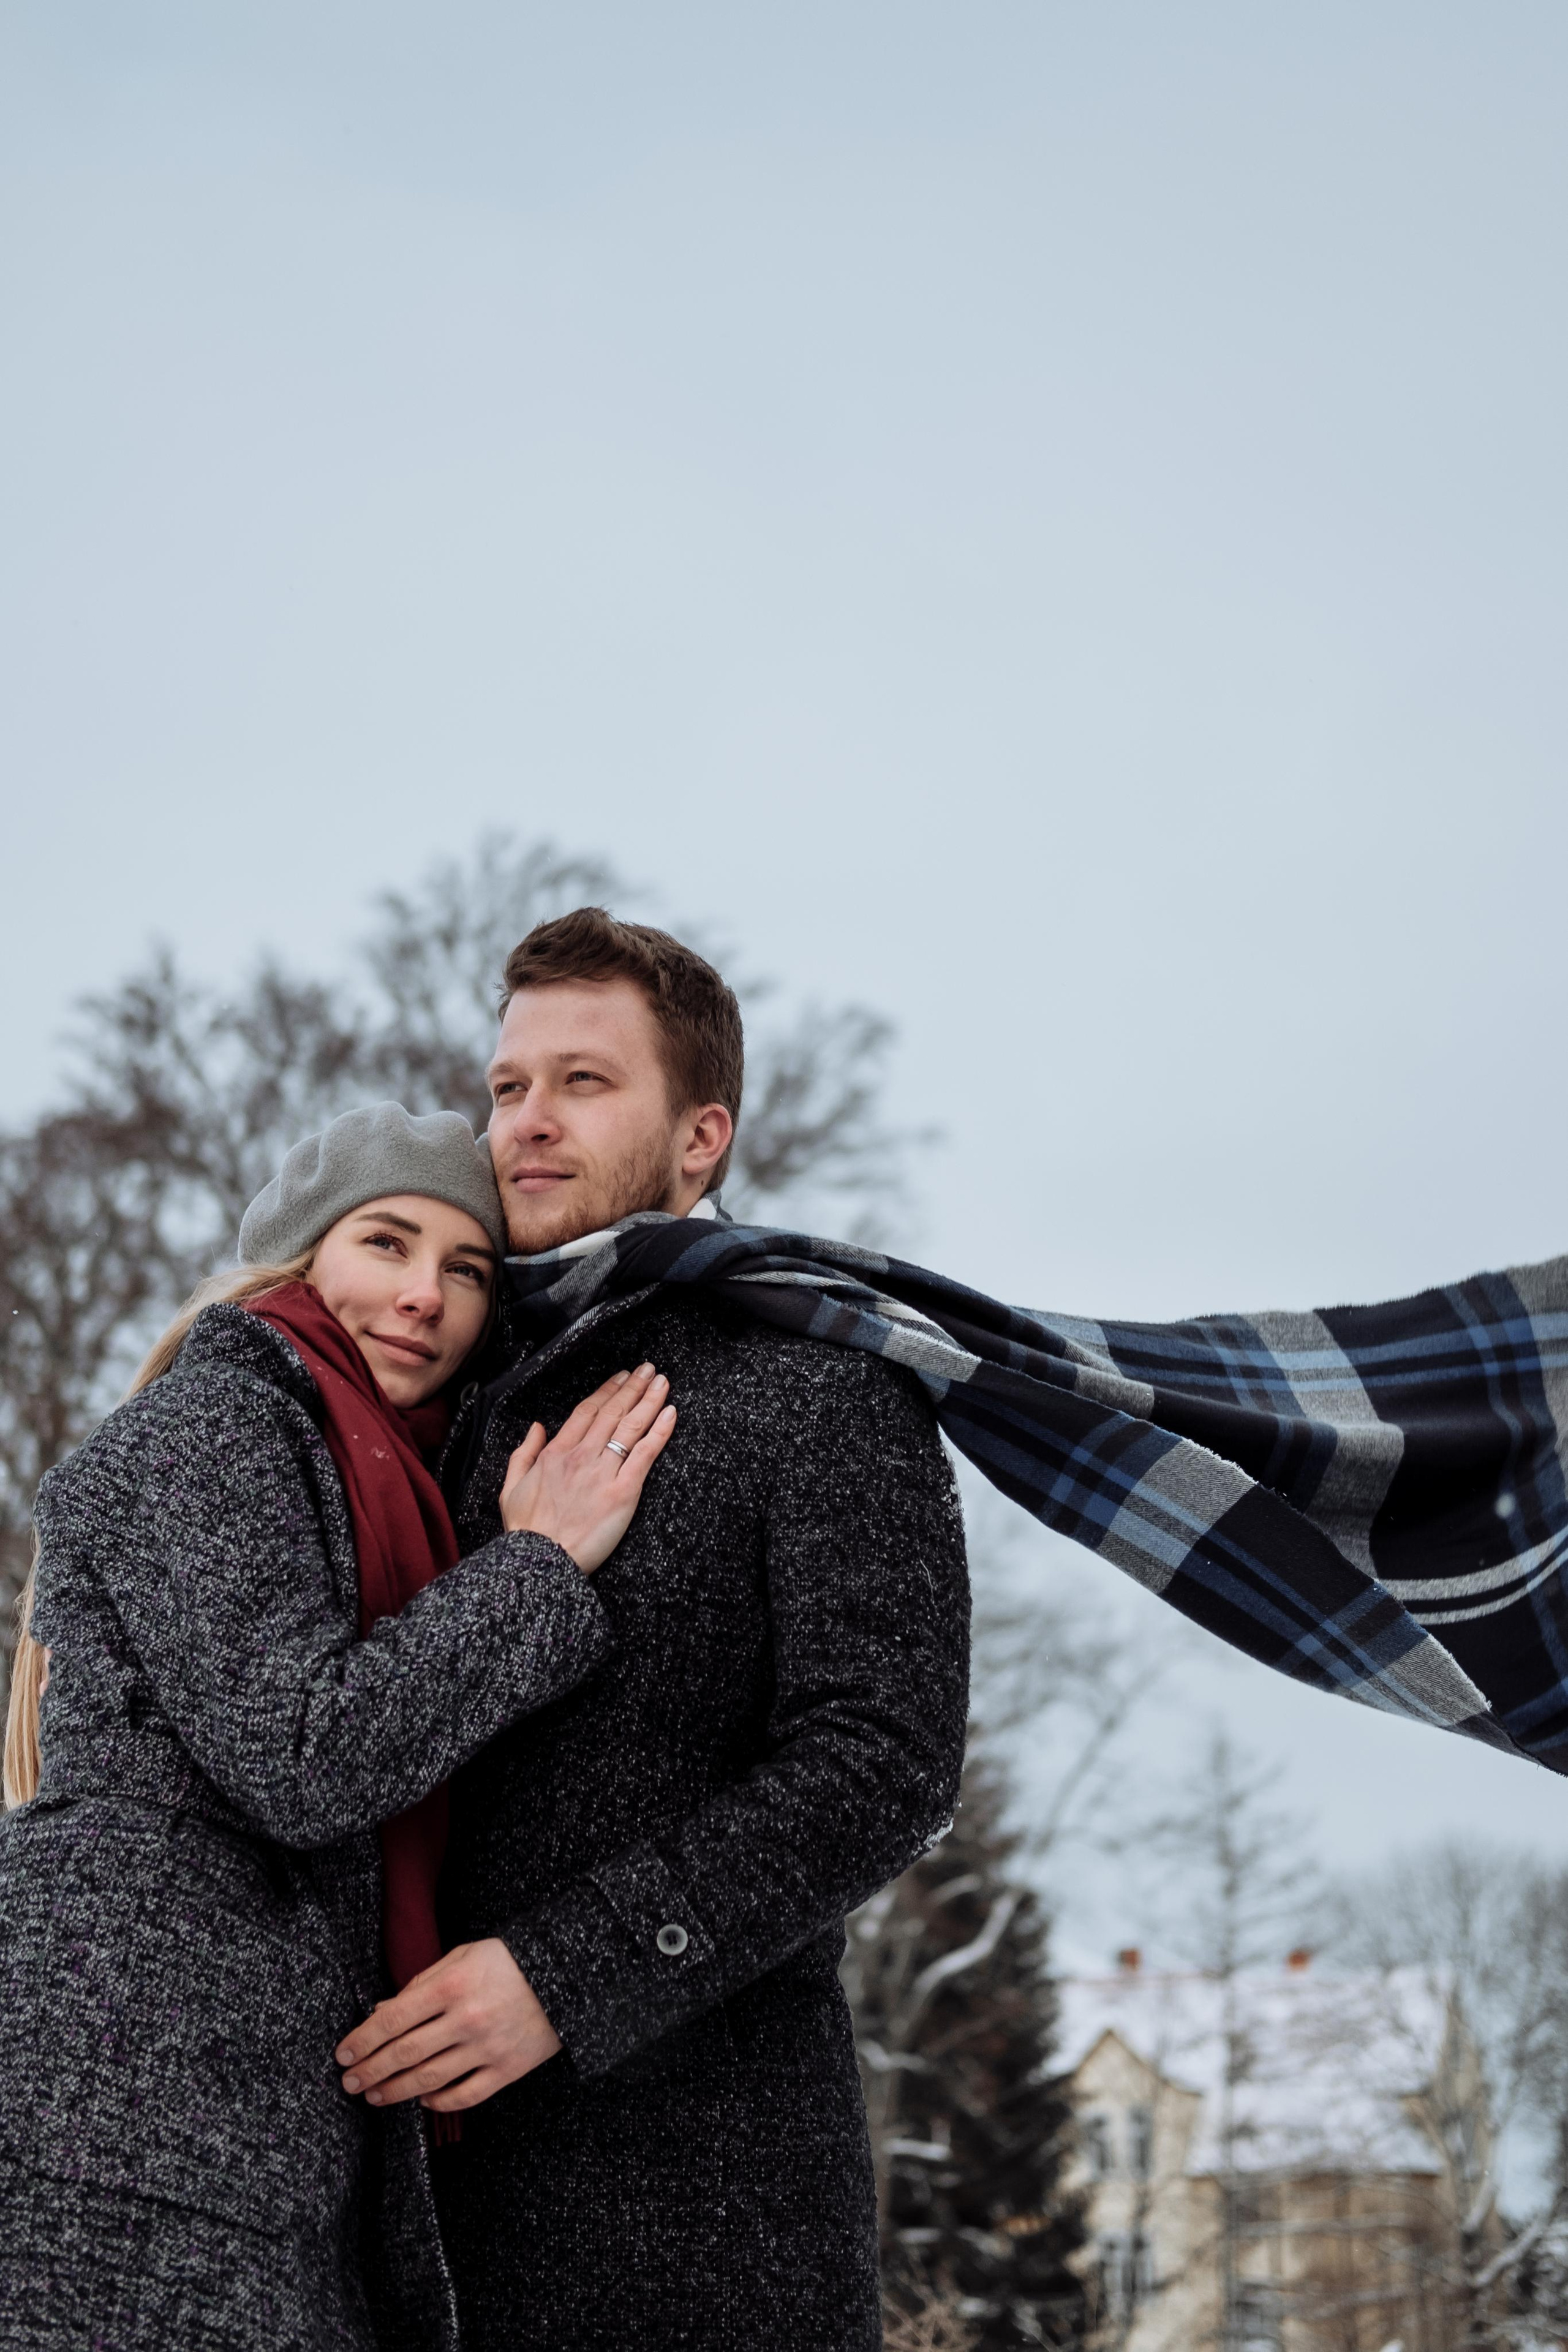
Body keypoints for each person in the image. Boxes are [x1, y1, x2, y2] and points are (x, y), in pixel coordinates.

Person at [334, 917, 972, 2351]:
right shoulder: (439, 1400)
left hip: (705, 2216)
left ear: (701, 1138)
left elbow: (885, 1762)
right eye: (505, 1089)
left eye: (581, 1083)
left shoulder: (820, 1385)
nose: (526, 1125)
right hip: (413, 2222)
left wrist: (569, 1973)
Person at [0, 1102, 677, 2352]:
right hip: (126, 2128)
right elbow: (302, 1754)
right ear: (302, 1259)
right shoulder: (212, 1428)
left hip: (241, 2131)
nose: (424, 1294)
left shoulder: (367, 1471)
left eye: (466, 1269)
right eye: (385, 1242)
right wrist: (536, 1565)